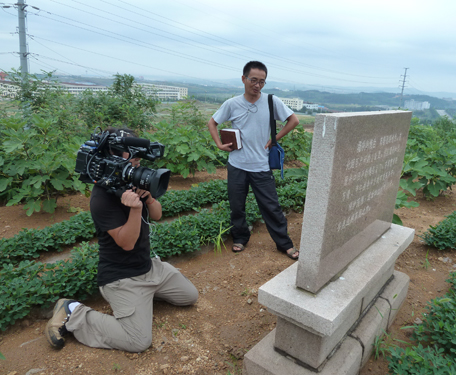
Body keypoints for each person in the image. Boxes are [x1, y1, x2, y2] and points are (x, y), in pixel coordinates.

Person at [44, 128, 198, 352]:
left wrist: (149, 199)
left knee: (189, 296)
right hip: (121, 277)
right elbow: (126, 243)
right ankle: (73, 311)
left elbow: (157, 215)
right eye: (132, 158)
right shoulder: (101, 197)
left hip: (149, 268)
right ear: (112, 155)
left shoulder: (130, 181)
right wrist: (135, 210)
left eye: (137, 158)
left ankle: (145, 298)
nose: (136, 164)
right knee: (138, 341)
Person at [207, 61, 300, 260]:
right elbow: (212, 122)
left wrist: (274, 139)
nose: (257, 85)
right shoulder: (232, 104)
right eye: (253, 80)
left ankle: (284, 244)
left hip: (261, 165)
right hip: (237, 165)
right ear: (244, 79)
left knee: (271, 206)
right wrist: (219, 144)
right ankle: (240, 238)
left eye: (262, 82)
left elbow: (294, 120)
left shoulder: (271, 101)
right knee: (237, 205)